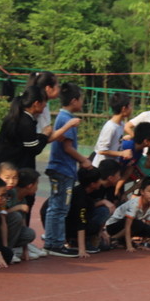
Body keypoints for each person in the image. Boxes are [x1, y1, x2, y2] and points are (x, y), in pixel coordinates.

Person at [44, 83, 92, 257]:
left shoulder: (63, 117)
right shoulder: (67, 119)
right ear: (74, 101)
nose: (82, 102)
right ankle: (54, 243)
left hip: (61, 169)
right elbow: (67, 147)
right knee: (59, 207)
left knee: (57, 206)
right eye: (81, 99)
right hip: (63, 169)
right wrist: (84, 160)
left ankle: (53, 240)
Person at [105, 177, 150, 252]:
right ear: (142, 192)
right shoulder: (135, 204)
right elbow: (128, 226)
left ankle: (122, 240)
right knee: (137, 224)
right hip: (113, 226)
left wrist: (143, 244)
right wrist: (129, 246)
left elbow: (147, 226)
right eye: (149, 191)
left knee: (149, 228)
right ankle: (114, 238)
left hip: (129, 226)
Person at [92, 92, 133, 166]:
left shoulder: (121, 124)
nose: (131, 109)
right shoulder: (110, 127)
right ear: (124, 109)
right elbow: (102, 150)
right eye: (130, 106)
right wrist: (122, 153)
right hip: (101, 167)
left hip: (111, 166)